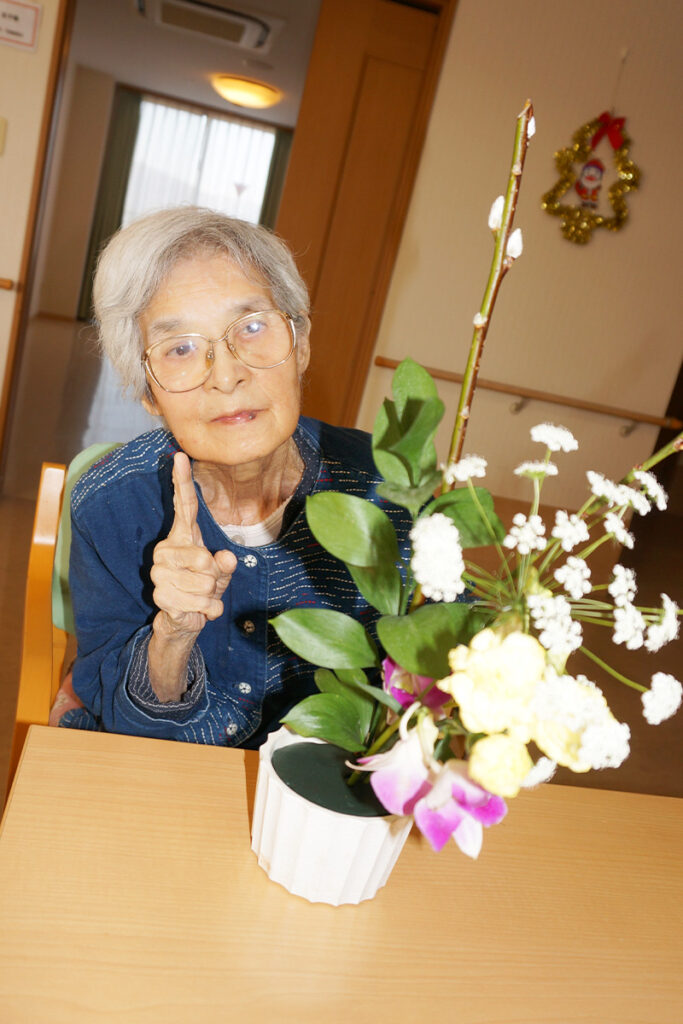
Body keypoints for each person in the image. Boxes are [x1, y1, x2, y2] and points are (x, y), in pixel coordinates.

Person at [63, 207, 411, 747]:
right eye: (180, 348)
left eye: (252, 327)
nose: (226, 375)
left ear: (302, 344)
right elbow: (119, 718)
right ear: (147, 392)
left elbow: (436, 686)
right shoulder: (110, 504)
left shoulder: (389, 490)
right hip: (165, 778)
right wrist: (172, 635)